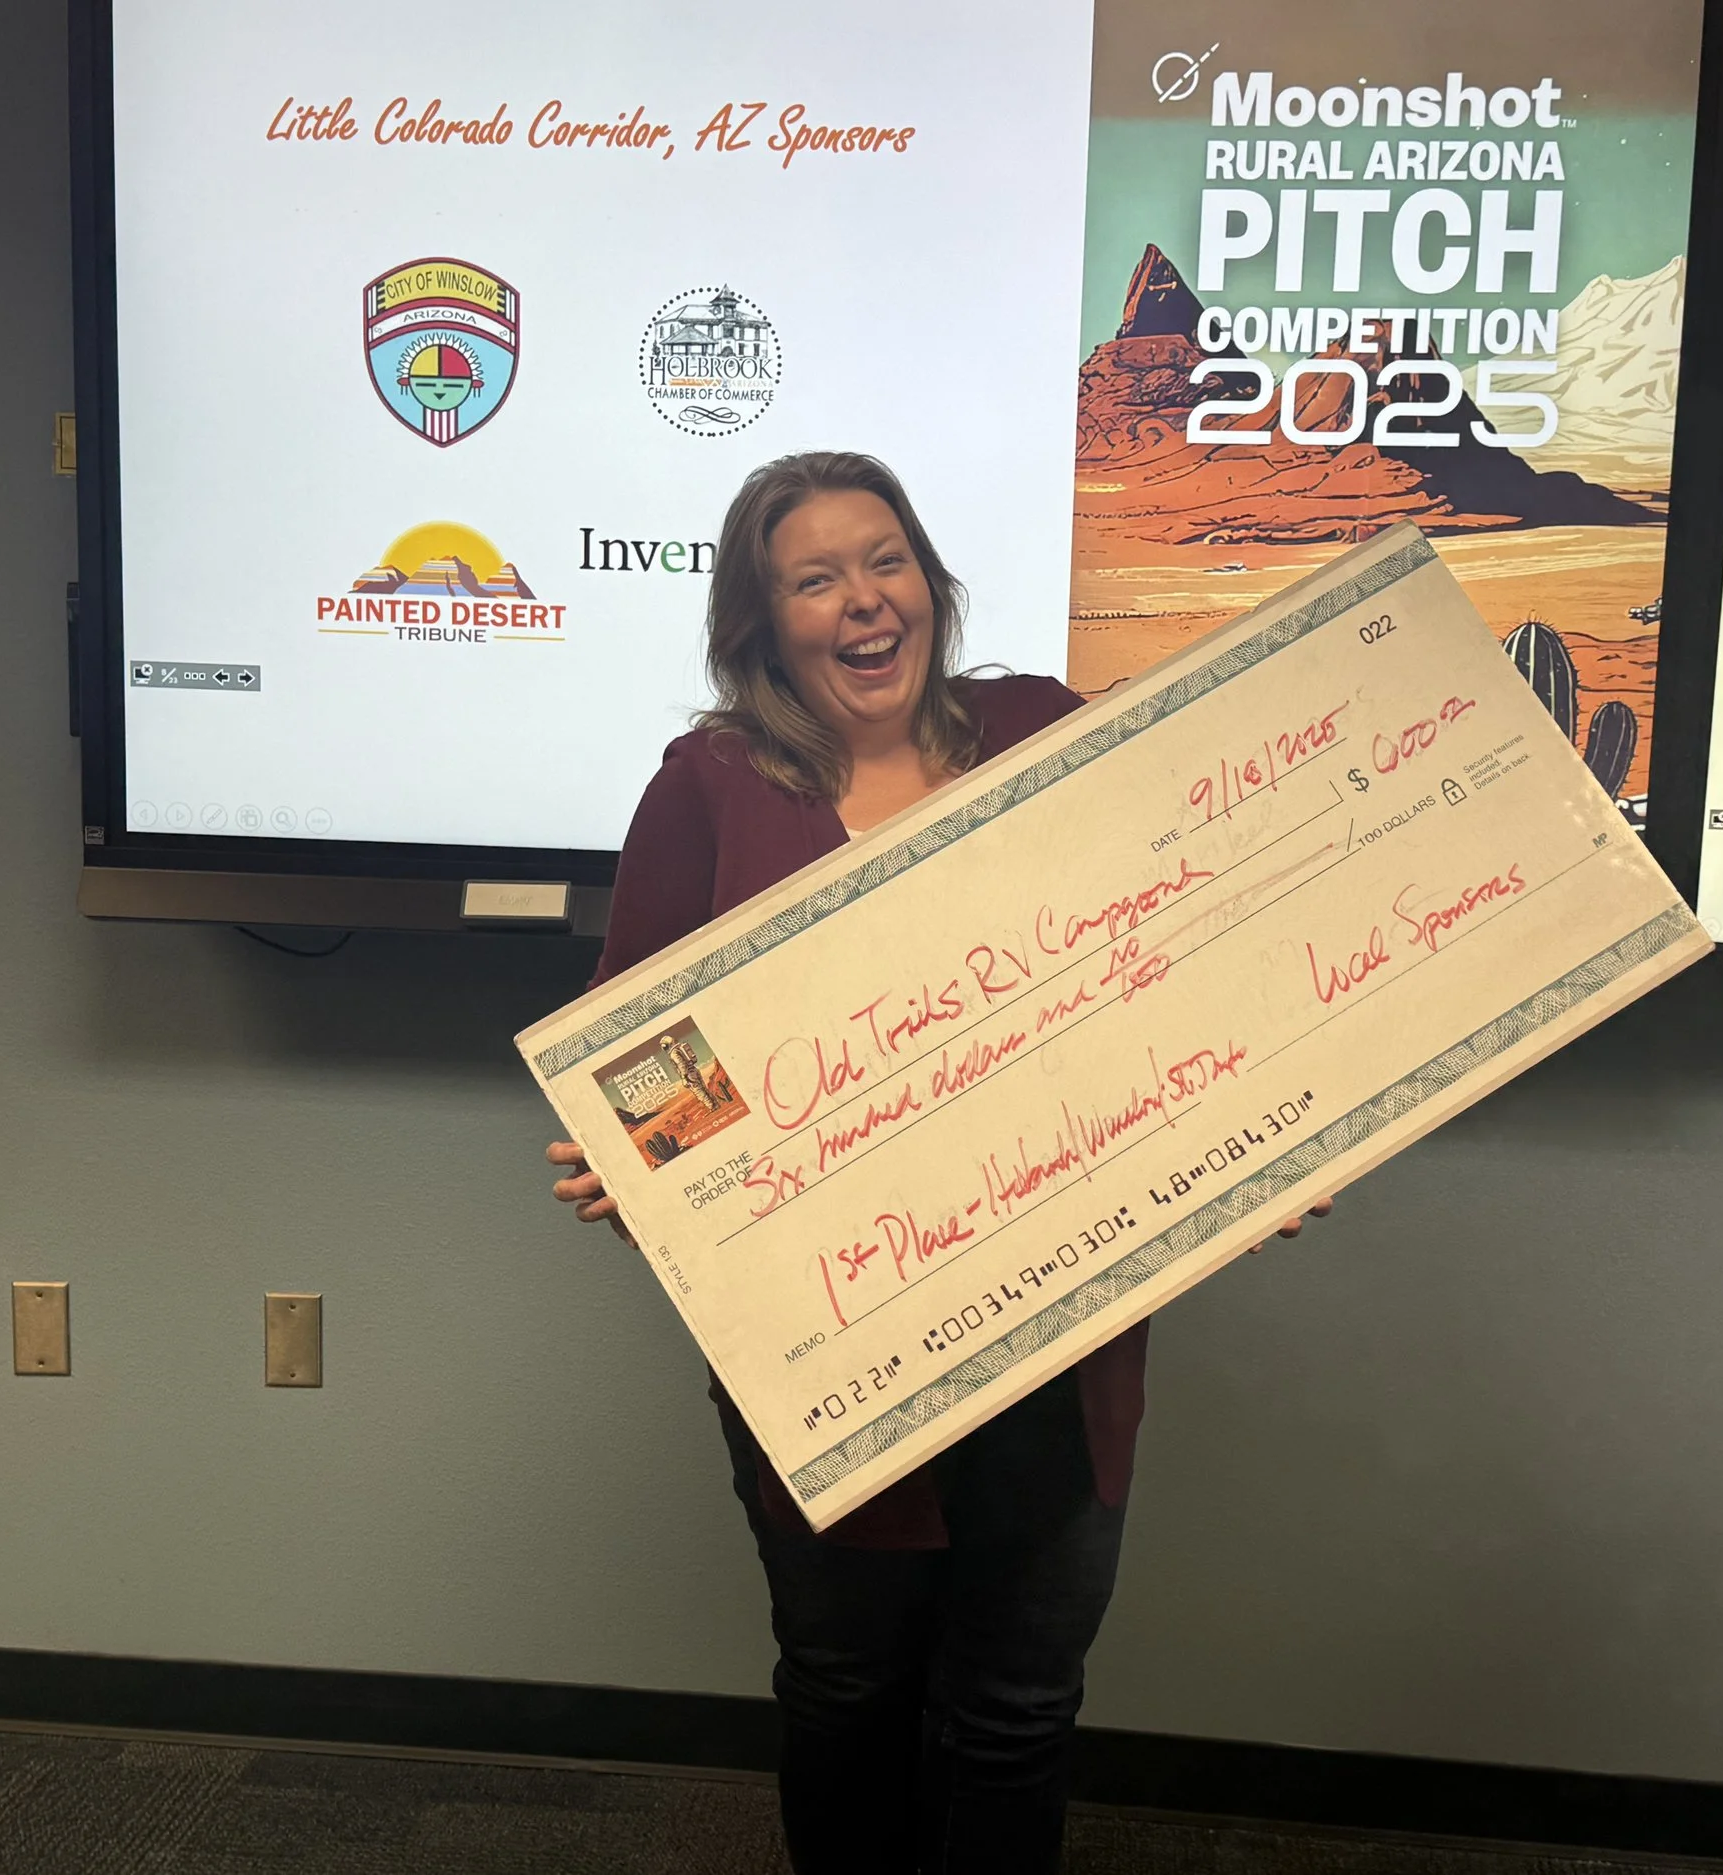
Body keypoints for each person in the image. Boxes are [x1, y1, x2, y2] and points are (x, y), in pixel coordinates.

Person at [545, 451, 1326, 1875]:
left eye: (885, 559)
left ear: (931, 583)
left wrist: (1264, 1131)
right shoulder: (715, 785)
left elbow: (1183, 959)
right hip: (830, 1340)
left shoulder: (1044, 734)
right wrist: (639, 1160)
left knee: (1018, 1706)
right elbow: (643, 1050)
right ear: (760, 620)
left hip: (1059, 1335)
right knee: (850, 1689)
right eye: (816, 576)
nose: (863, 599)